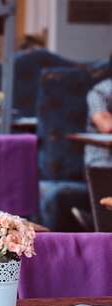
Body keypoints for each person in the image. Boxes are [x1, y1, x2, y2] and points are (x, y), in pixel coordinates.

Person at [71, 53, 112, 230]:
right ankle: (98, 226)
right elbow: (106, 125)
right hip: (102, 160)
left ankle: (92, 223)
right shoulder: (100, 92)